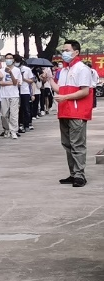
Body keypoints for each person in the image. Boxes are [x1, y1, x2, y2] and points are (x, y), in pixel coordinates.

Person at [49, 40, 95, 187]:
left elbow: (85, 91)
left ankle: (80, 175)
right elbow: (60, 90)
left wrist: (65, 97)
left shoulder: (82, 69)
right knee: (67, 144)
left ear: (76, 52)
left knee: (77, 144)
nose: (64, 53)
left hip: (77, 112)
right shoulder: (64, 70)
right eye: (63, 50)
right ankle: (73, 173)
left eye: (67, 50)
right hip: (64, 111)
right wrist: (49, 79)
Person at [0, 53, 21, 139]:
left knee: (14, 114)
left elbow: (16, 83)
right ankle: (6, 129)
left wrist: (10, 73)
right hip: (3, 95)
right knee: (4, 115)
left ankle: (14, 131)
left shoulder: (17, 70)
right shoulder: (1, 70)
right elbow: (0, 83)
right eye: (7, 58)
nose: (9, 60)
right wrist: (11, 83)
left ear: (13, 60)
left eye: (10, 58)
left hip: (14, 95)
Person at [15, 55, 35, 133]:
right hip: (15, 91)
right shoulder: (13, 69)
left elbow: (32, 80)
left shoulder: (27, 69)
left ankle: (26, 124)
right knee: (18, 109)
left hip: (25, 91)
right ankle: (19, 124)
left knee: (26, 108)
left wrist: (24, 79)